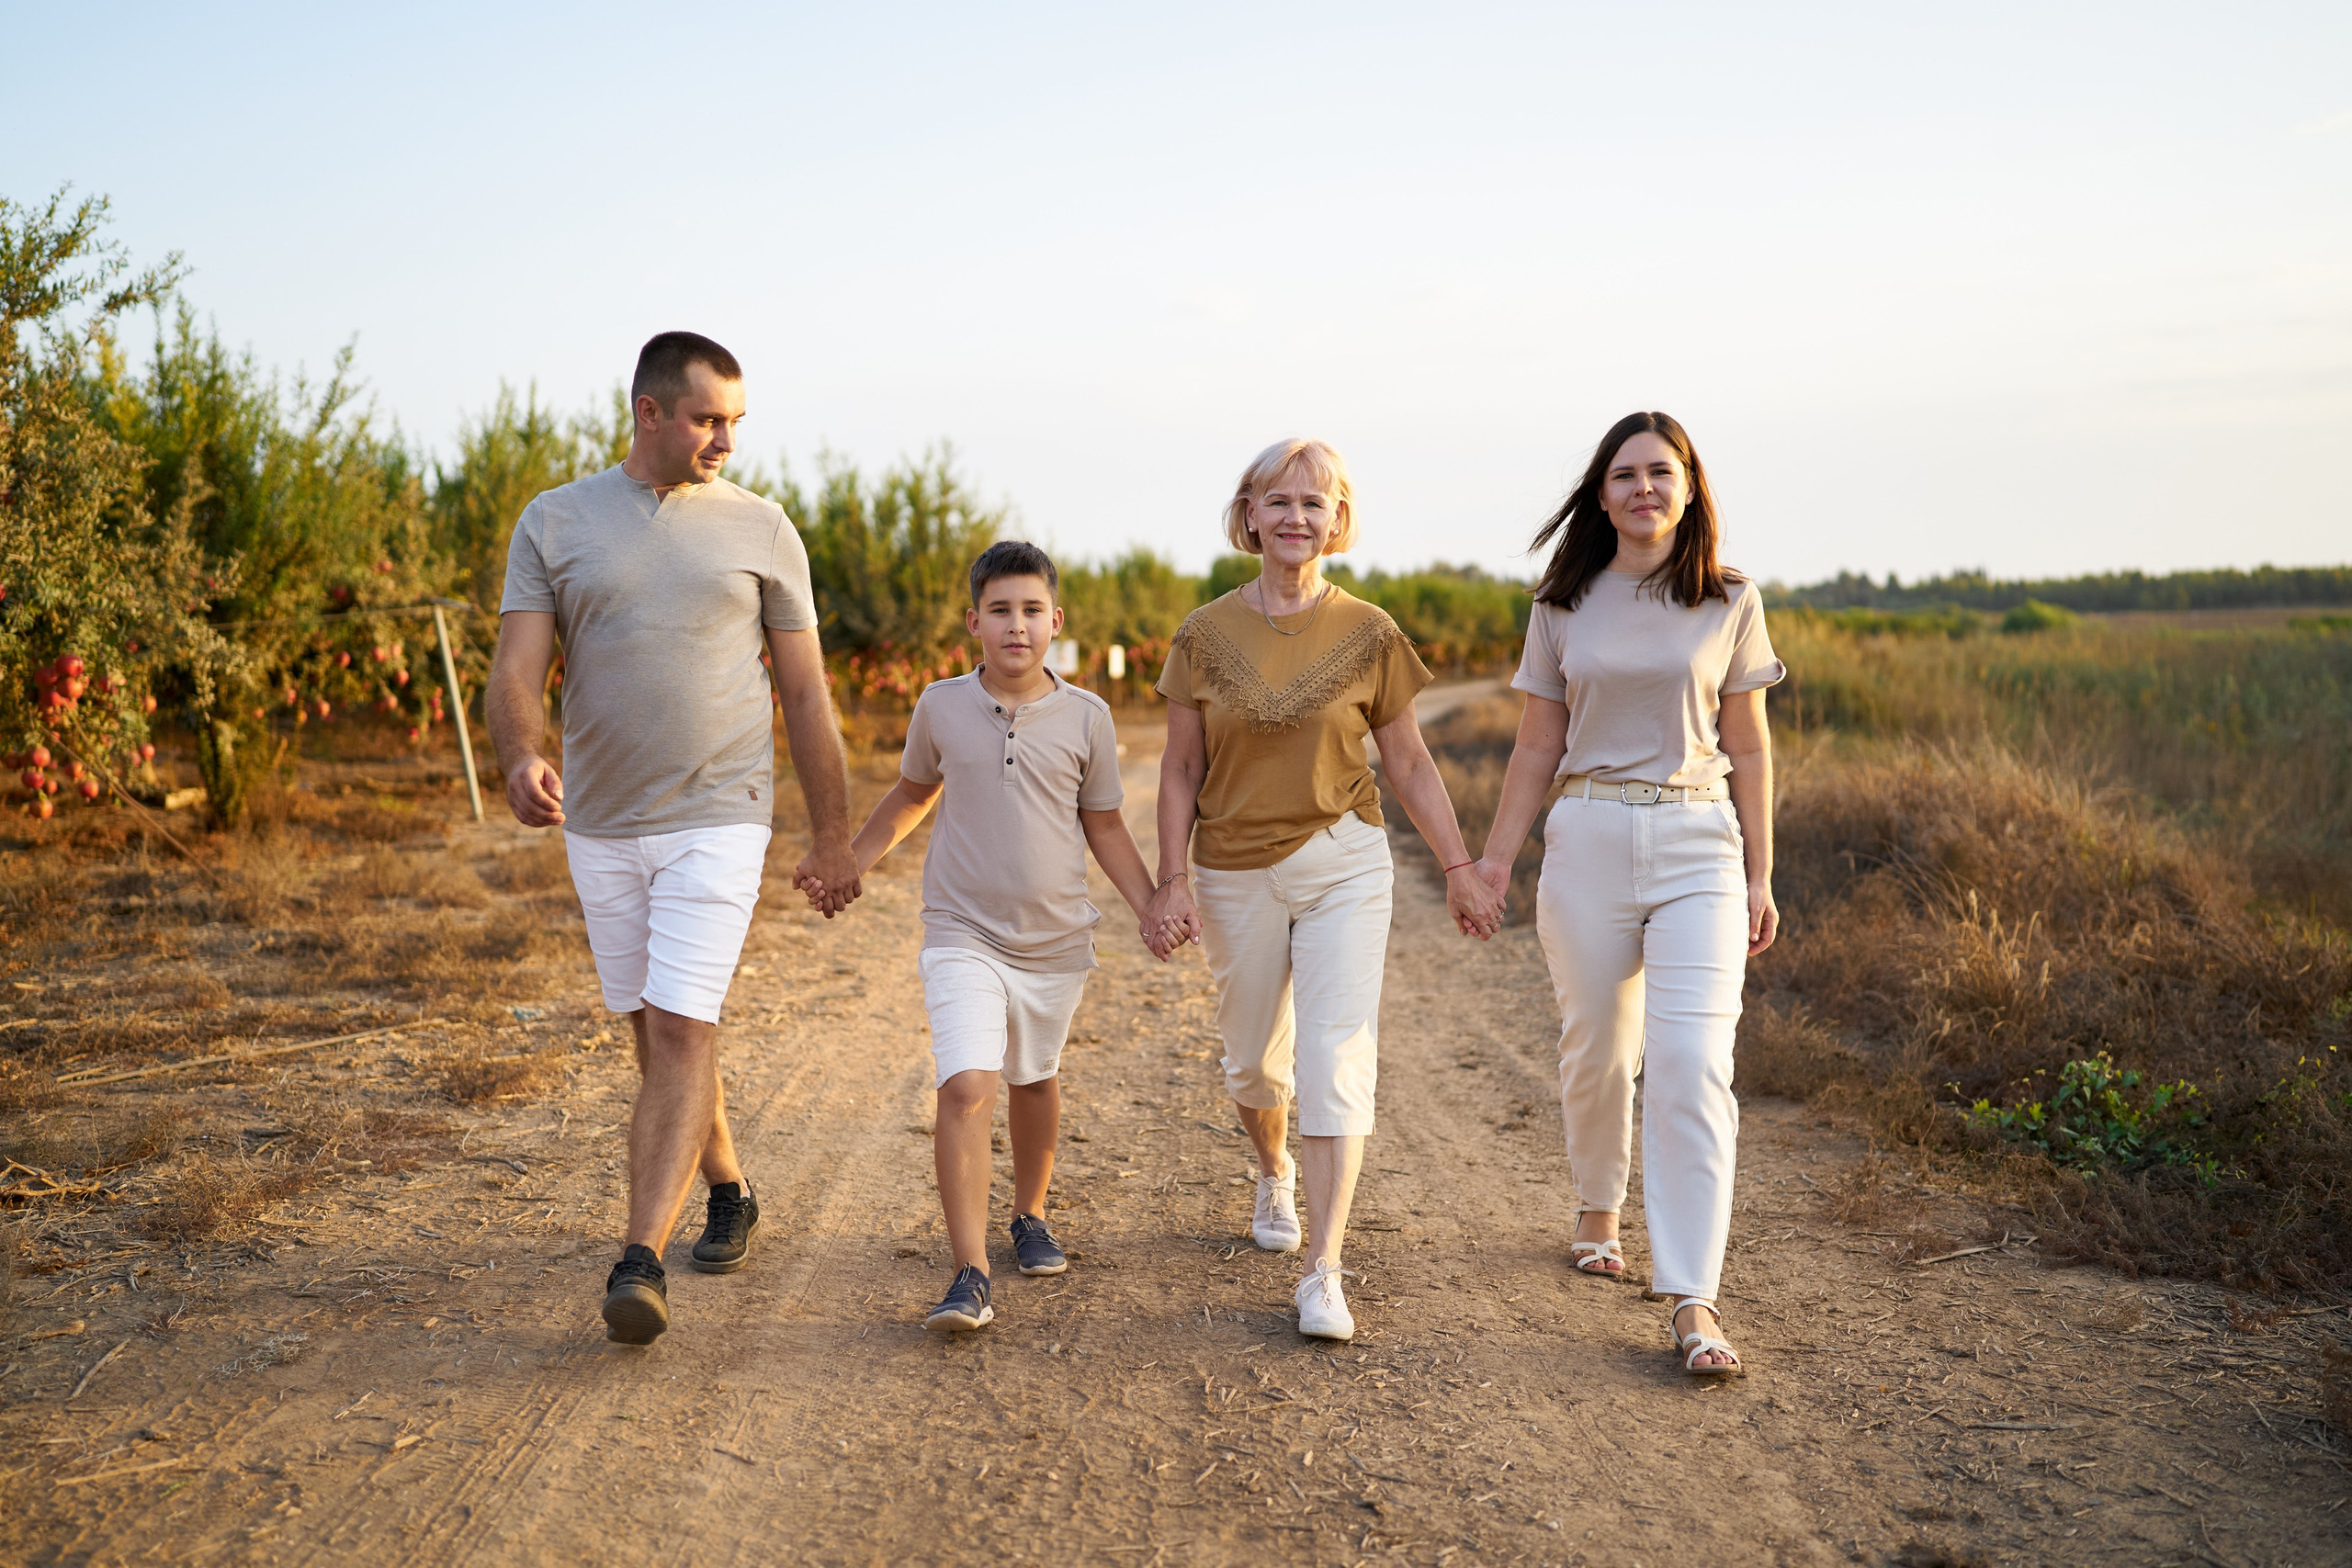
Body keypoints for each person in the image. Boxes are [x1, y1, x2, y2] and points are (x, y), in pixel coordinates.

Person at [486, 331, 862, 1347]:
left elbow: (806, 694)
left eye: (736, 421)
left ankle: (639, 1259)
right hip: (601, 821)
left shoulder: (763, 529)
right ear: (648, 412)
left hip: (720, 815)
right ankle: (731, 1189)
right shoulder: (556, 522)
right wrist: (521, 757)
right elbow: (516, 671)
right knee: (653, 1031)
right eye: (707, 419)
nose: (725, 440)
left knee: (684, 1027)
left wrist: (835, 837)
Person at [1144, 438, 1503, 1343]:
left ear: (1338, 520)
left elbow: (1411, 764)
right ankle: (1273, 1172)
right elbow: (1180, 769)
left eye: (1318, 501)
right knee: (1254, 1063)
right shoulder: (1203, 634)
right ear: (1250, 516)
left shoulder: (1371, 632)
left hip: (1345, 857)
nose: (1298, 516)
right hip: (1233, 869)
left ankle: (1323, 1271)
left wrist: (1460, 867)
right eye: (1280, 501)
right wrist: (1170, 878)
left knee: (1334, 1056)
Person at [1470, 411, 1782, 1377]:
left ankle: (1693, 1300)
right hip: (1589, 834)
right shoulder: (1563, 601)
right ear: (1599, 495)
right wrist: (1491, 862)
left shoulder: (1729, 598)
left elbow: (1749, 745)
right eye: (1624, 475)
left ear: (1689, 487)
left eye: (1661, 472)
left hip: (1698, 840)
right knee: (1598, 1045)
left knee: (1692, 1062)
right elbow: (1533, 746)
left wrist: (1762, 873)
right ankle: (1597, 1209)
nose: (1643, 488)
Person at [806, 541, 1165, 1332]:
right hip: (961, 929)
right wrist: (847, 861)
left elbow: (1104, 825)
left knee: (1034, 1078)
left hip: (1054, 941)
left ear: (1056, 622)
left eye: (1032, 610)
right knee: (968, 1085)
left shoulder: (1088, 718)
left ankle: (1028, 1214)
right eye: (1000, 610)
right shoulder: (939, 705)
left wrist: (1150, 902)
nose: (1016, 625)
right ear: (974, 621)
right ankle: (969, 1272)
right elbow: (911, 793)